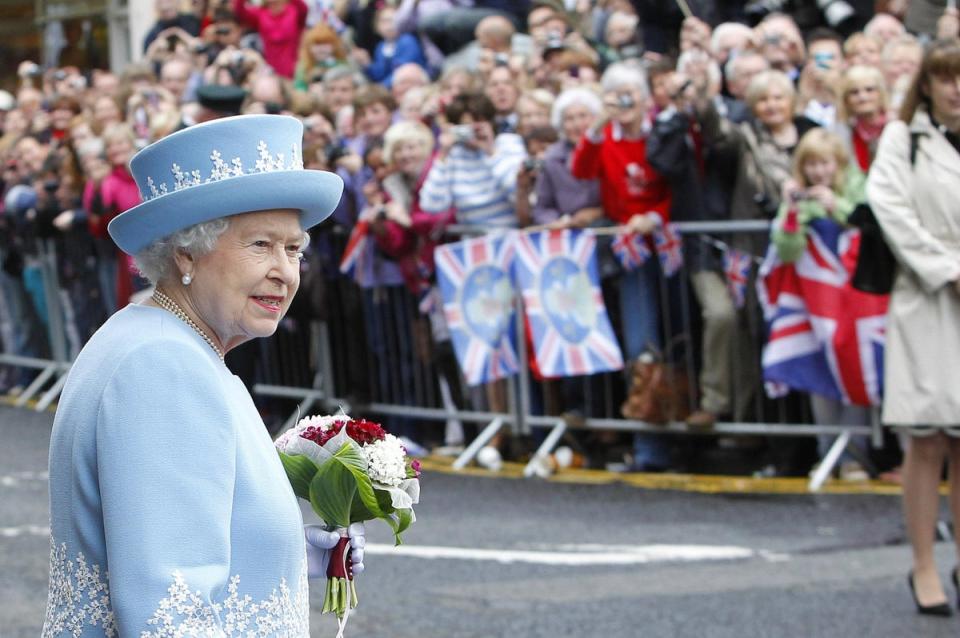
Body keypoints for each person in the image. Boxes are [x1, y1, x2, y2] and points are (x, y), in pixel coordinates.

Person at [41, 114, 364, 635]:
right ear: (186, 253)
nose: (284, 269)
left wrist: (293, 552)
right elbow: (167, 608)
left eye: (294, 248)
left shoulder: (160, 341)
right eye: (260, 244)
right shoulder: (163, 365)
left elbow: (172, 540)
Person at [866, 38, 960, 618]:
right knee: (927, 439)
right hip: (928, 296)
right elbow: (889, 205)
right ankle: (924, 563)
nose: (956, 88)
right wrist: (946, 268)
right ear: (926, 84)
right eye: (946, 77)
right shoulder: (904, 139)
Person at [771, 128, 872, 481]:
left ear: (838, 164)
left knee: (853, 368)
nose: (818, 172)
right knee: (819, 370)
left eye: (825, 163)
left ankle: (854, 455)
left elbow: (867, 221)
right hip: (814, 299)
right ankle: (827, 451)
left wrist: (835, 206)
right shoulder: (797, 197)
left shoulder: (856, 188)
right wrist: (793, 215)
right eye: (811, 164)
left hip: (854, 295)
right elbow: (787, 249)